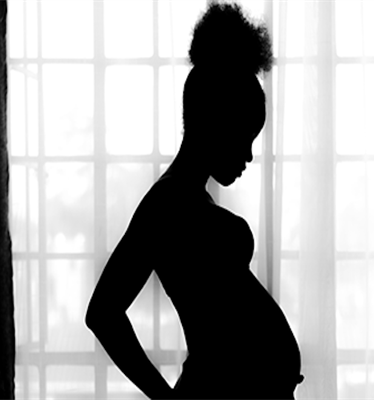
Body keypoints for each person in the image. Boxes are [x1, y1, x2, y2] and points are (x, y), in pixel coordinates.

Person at [85, 2, 304, 399]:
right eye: (244, 137)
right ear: (213, 122)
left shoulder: (188, 198)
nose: (248, 155)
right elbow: (103, 312)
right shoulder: (166, 204)